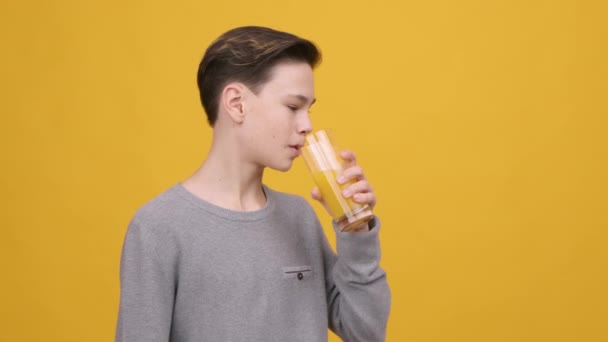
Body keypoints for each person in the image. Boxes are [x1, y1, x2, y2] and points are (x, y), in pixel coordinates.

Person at [116, 26, 391, 342]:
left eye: (309, 109)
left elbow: (366, 332)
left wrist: (356, 232)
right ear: (236, 103)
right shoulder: (158, 227)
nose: (307, 125)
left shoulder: (298, 217)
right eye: (293, 107)